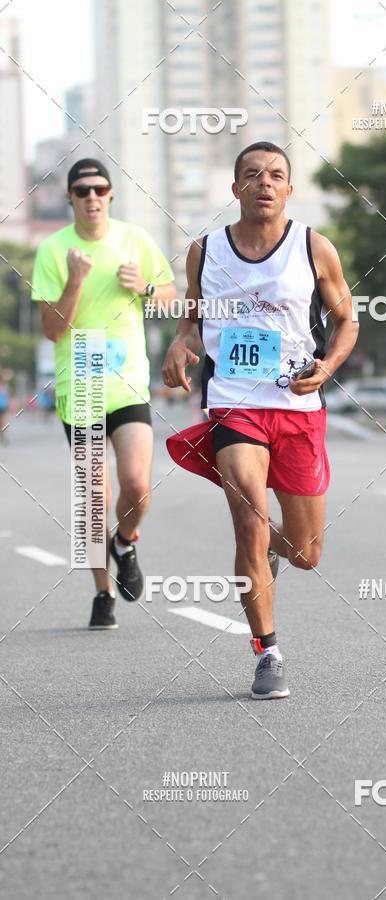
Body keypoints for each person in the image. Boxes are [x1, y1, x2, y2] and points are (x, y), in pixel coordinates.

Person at [162, 141, 358, 699]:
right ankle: (267, 651)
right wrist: (180, 343)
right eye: (251, 175)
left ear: (289, 189)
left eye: (275, 175)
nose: (264, 183)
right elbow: (192, 318)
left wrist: (327, 367)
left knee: (306, 553)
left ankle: (276, 548)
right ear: (235, 189)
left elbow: (347, 322)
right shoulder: (205, 251)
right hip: (235, 404)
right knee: (248, 517)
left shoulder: (315, 248)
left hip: (297, 408)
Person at [31, 158, 176, 629]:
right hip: (83, 382)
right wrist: (75, 280)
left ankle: (125, 542)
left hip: (128, 378)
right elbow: (53, 330)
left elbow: (173, 296)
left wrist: (148, 285)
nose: (91, 197)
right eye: (81, 190)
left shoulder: (135, 239)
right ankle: (102, 591)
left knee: (136, 485)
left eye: (99, 189)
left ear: (110, 195)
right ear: (70, 198)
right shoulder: (53, 250)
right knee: (95, 497)